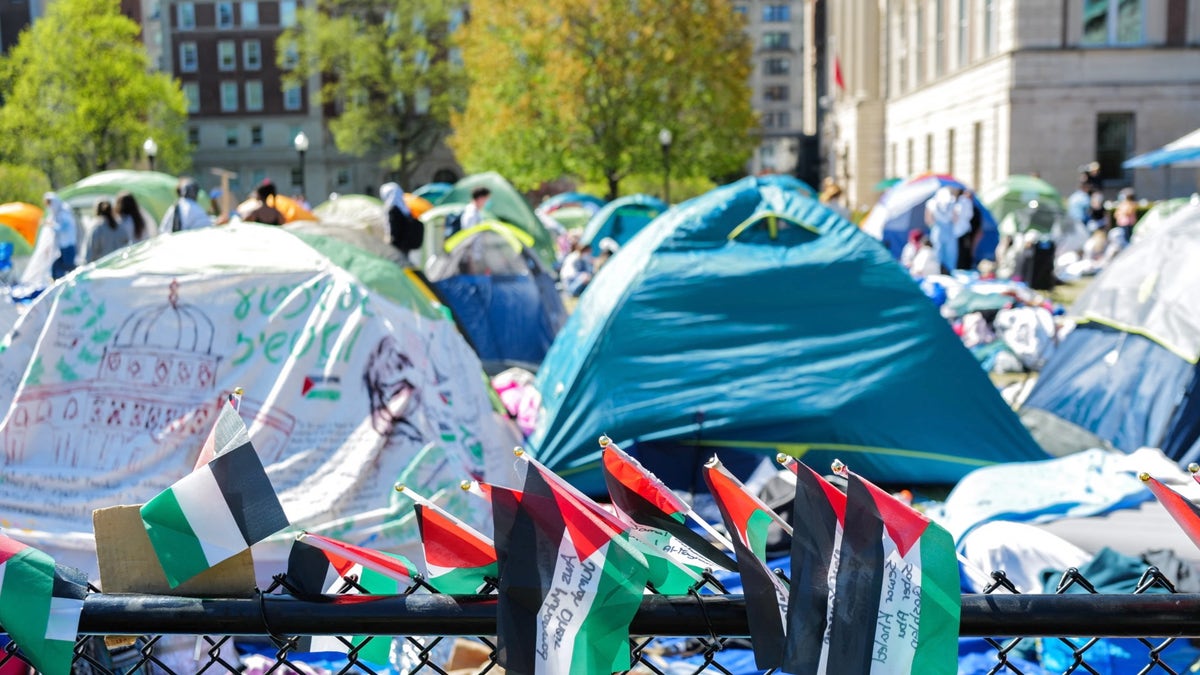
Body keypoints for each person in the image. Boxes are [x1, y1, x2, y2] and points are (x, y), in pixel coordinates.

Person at [381, 181, 424, 258]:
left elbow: (394, 229)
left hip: (399, 244)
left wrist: (390, 242)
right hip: (407, 243)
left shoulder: (392, 209)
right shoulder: (405, 207)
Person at [81, 199, 132, 264]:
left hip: (102, 268)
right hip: (119, 265)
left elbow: (89, 254)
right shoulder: (120, 226)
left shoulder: (96, 227)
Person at [43, 192, 78, 280]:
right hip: (63, 246)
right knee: (57, 268)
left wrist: (51, 225)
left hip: (68, 246)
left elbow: (63, 228)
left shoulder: (63, 213)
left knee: (68, 267)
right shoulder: (57, 214)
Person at [924, 186, 958, 273]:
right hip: (945, 231)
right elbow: (955, 219)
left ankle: (940, 271)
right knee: (947, 254)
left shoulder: (933, 204)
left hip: (939, 231)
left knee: (940, 253)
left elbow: (928, 220)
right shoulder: (951, 203)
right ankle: (947, 271)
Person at [953, 188, 977, 270]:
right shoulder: (965, 201)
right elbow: (969, 215)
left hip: (960, 230)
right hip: (962, 230)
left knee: (961, 253)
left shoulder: (959, 202)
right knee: (963, 253)